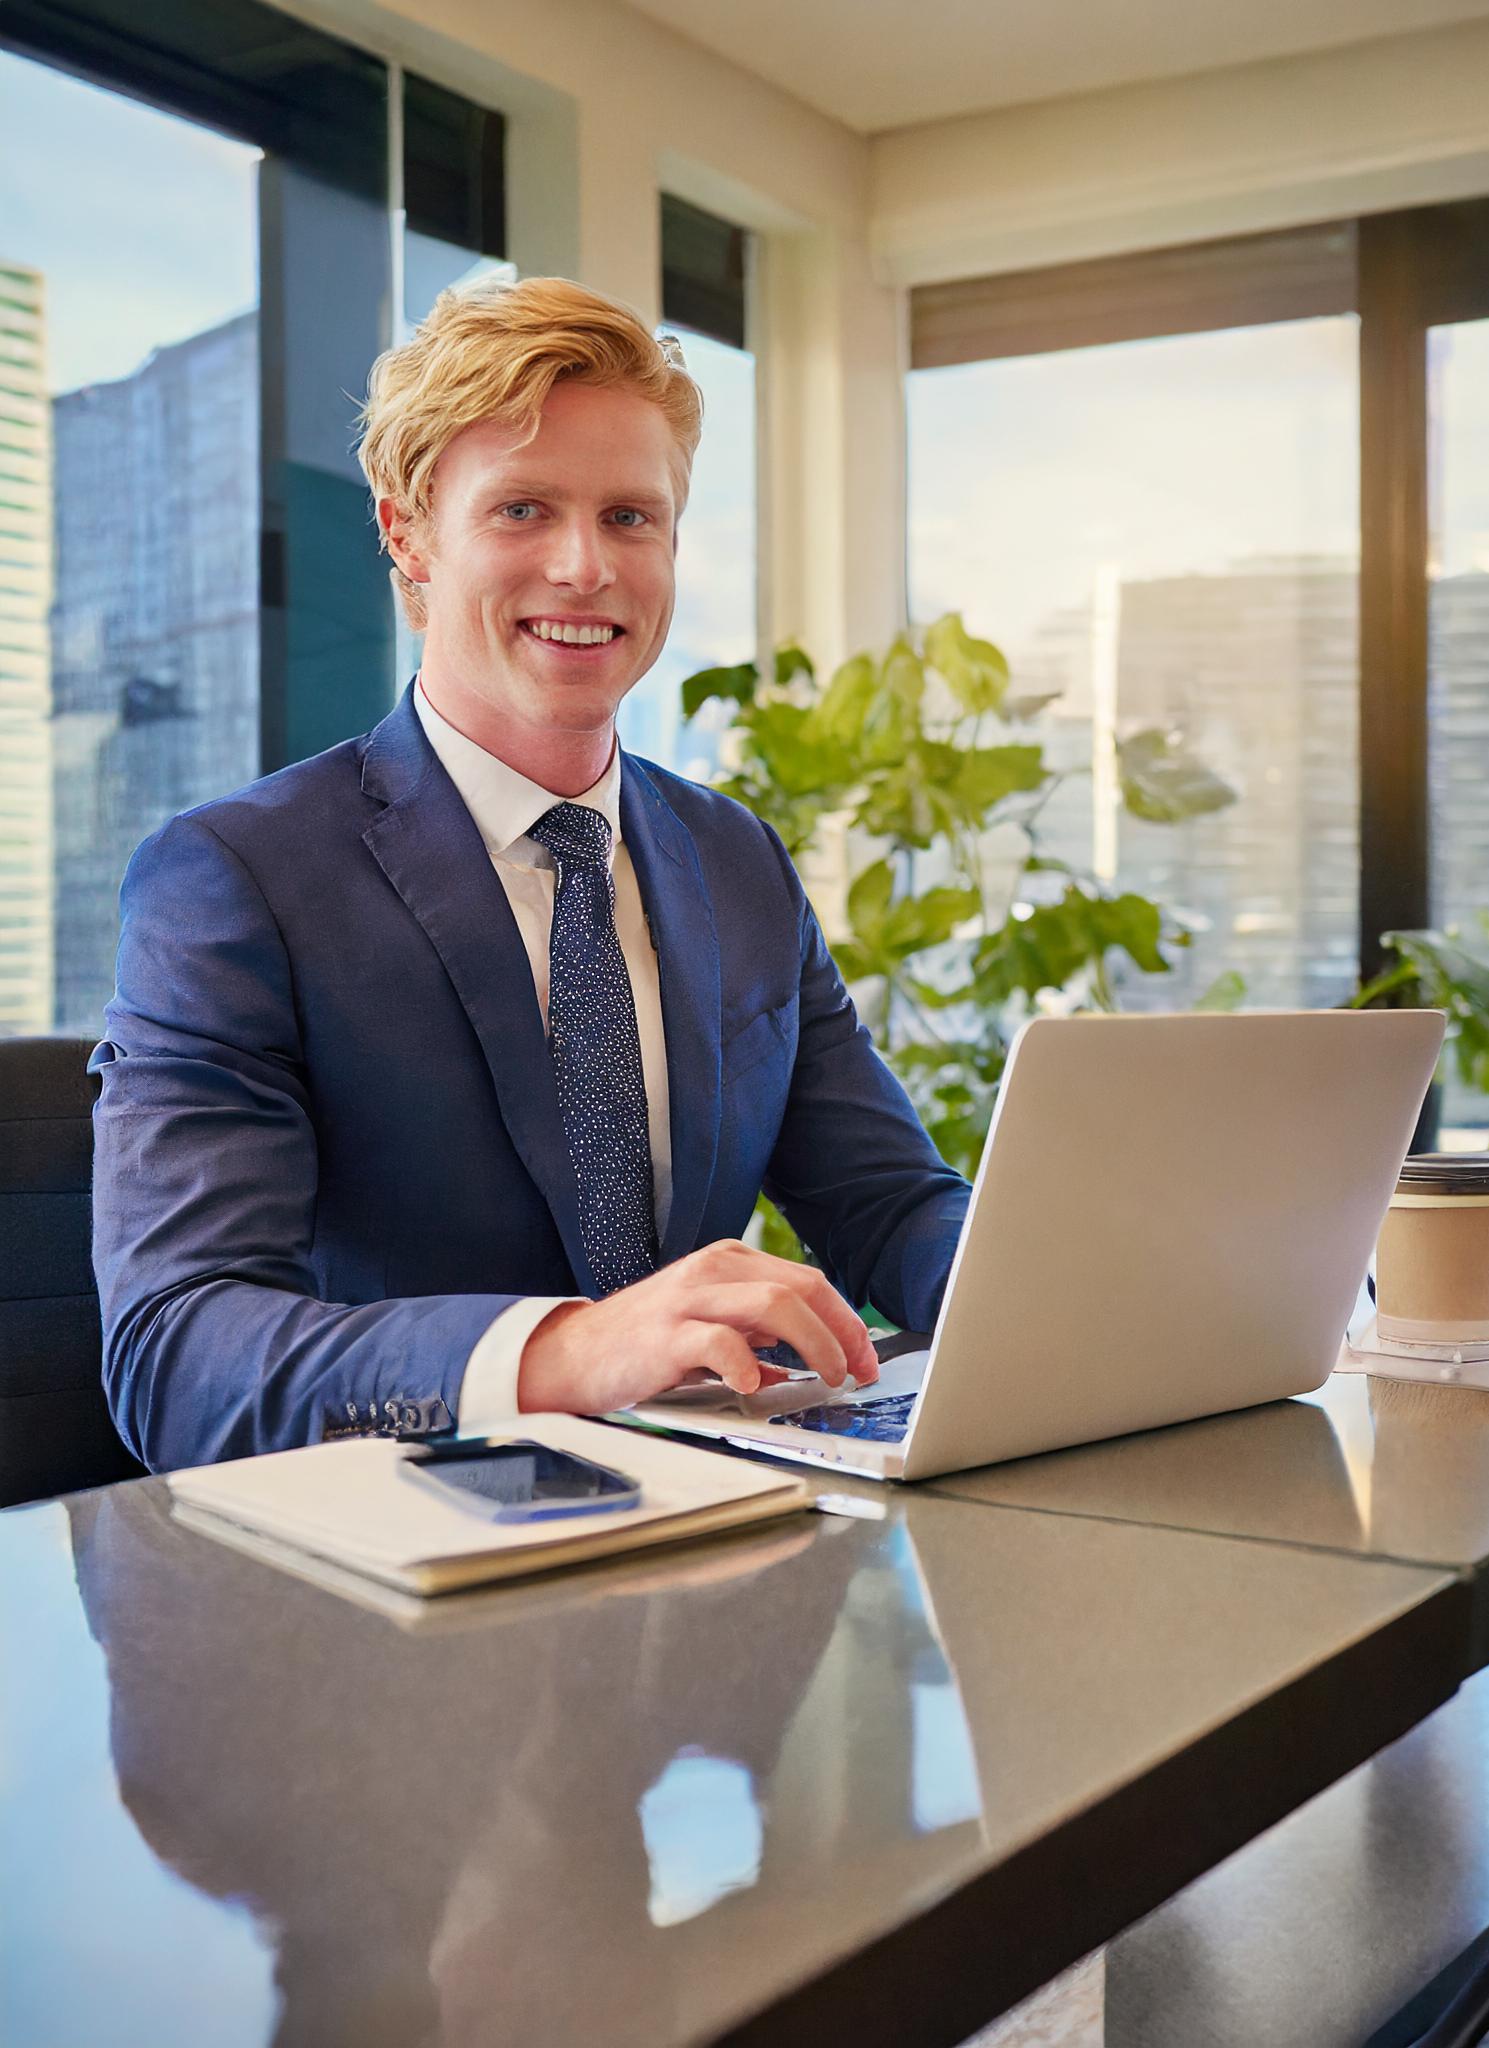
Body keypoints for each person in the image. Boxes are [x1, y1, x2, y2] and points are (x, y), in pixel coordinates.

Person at [91, 276, 970, 1471]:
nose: (583, 567)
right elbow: (178, 1354)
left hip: (718, 1530)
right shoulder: (237, 877)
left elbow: (889, 1205)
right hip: (396, 1561)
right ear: (409, 536)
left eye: (629, 517)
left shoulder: (737, 858)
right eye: (519, 510)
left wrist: (1064, 1282)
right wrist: (567, 1351)